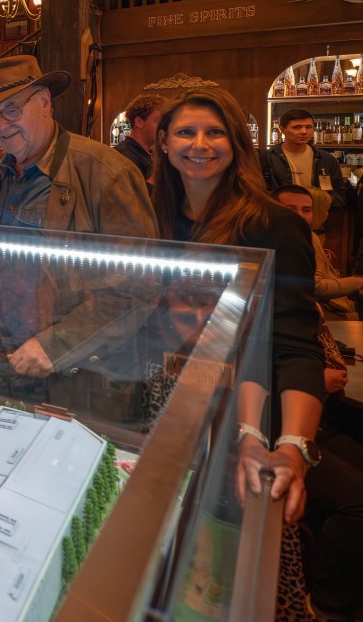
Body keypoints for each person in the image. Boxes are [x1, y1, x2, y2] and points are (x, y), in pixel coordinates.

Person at [151, 86, 322, 529]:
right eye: (186, 132)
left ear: (236, 143)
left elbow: (295, 344)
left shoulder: (274, 224)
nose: (200, 144)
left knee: (222, 539)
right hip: (172, 402)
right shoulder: (156, 216)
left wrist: (293, 445)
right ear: (164, 141)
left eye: (215, 132)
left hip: (243, 411)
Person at [0, 55, 158, 414]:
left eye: (12, 110)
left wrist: (55, 347)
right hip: (4, 365)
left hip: (76, 380)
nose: (1, 126)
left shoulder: (106, 173)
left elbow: (137, 288)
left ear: (45, 102)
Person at [275, 184, 363, 320]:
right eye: (290, 209)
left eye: (306, 210)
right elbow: (316, 287)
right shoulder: (308, 237)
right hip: (326, 312)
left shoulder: (292, 236)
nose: (299, 215)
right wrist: (358, 281)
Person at [260, 109, 347, 207]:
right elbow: (259, 195)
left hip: (315, 214)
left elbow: (340, 196)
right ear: (282, 130)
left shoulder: (326, 159)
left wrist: (318, 199)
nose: (304, 132)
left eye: (308, 127)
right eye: (297, 127)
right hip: (281, 214)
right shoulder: (268, 158)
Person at [114, 93, 165, 181]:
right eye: (158, 121)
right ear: (139, 122)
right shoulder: (125, 156)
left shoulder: (148, 153)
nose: (163, 127)